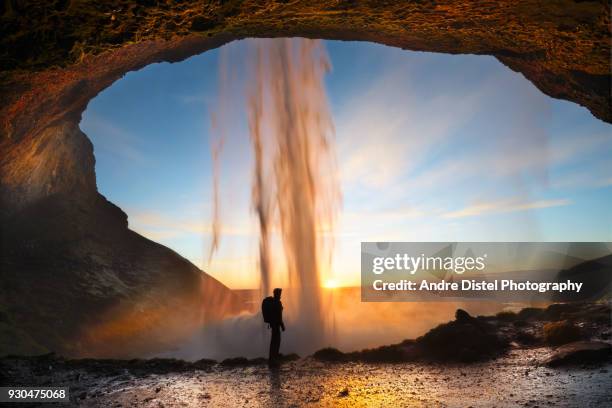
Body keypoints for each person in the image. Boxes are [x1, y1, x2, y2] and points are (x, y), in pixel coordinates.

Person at [268, 288, 285, 367]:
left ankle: (271, 359)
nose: (280, 294)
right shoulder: (277, 303)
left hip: (273, 325)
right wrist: (282, 325)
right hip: (276, 325)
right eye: (280, 293)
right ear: (277, 294)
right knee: (276, 342)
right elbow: (279, 316)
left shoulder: (272, 302)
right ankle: (274, 360)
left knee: (273, 342)